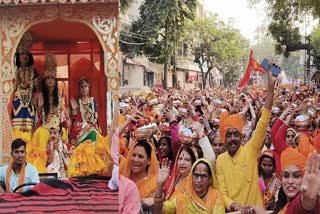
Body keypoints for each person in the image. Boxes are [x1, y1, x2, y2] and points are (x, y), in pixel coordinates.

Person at [216, 70, 277, 212]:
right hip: (234, 212)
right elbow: (222, 192)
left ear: (242, 136)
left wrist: (271, 86)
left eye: (235, 134)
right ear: (224, 140)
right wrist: (236, 206)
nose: (232, 139)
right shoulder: (220, 160)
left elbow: (263, 121)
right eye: (229, 135)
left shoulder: (250, 149)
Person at [27, 53, 70, 174]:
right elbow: (37, 116)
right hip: (45, 127)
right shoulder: (40, 96)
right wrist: (39, 106)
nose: (50, 80)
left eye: (52, 78)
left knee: (56, 135)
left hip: (56, 127)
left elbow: (64, 117)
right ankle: (41, 166)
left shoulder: (60, 97)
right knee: (41, 133)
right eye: (48, 78)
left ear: (55, 81)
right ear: (45, 81)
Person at [154, 158, 225, 214]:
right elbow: (159, 211)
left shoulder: (216, 196)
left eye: (203, 176)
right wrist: (160, 185)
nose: (199, 180)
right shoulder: (182, 197)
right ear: (191, 176)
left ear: (209, 178)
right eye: (196, 175)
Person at [11, 31, 40, 138]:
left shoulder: (33, 71)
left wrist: (36, 96)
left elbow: (38, 89)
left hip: (30, 102)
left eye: (27, 54)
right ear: (18, 56)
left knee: (29, 128)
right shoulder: (14, 70)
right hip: (17, 101)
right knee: (16, 128)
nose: (25, 56)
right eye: (22, 53)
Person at [120, 140, 159, 213]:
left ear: (149, 161)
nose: (135, 159)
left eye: (140, 156)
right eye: (133, 155)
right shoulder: (123, 179)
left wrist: (155, 201)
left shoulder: (155, 184)